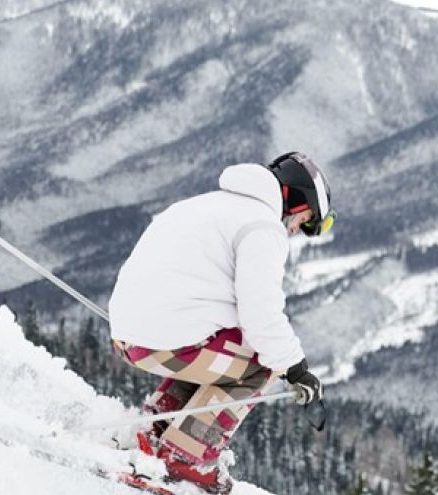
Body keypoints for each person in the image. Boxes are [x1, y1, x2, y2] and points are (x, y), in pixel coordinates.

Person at [108, 151, 335, 493]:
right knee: (264, 362)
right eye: (304, 221)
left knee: (222, 350)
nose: (295, 230)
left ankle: (156, 427)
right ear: (295, 200)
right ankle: (185, 457)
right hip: (165, 344)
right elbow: (262, 316)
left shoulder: (204, 204)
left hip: (128, 335)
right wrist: (297, 370)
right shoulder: (262, 226)